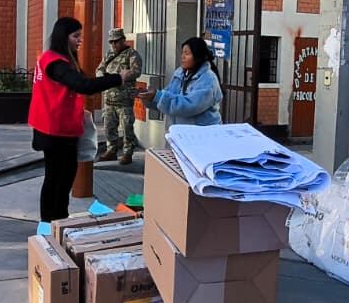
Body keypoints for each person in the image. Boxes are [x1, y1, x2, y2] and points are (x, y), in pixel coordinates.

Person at [29, 17, 139, 221]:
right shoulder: (56, 63)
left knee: (58, 177)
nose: (80, 40)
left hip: (54, 126)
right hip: (56, 130)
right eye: (75, 36)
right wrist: (118, 78)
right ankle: (52, 224)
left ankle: (54, 223)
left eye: (80, 35)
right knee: (58, 179)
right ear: (64, 37)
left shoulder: (48, 58)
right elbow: (83, 86)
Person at [138, 36, 223, 126]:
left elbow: (190, 106)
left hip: (201, 135)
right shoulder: (179, 74)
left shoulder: (208, 79)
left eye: (187, 53)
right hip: (179, 133)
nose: (183, 57)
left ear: (197, 56)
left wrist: (158, 96)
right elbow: (168, 97)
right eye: (182, 53)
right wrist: (150, 98)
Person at [95, 28, 143, 165]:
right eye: (111, 42)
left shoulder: (131, 54)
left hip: (124, 99)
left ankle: (128, 152)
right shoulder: (109, 55)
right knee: (109, 126)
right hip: (109, 98)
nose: (114, 45)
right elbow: (99, 69)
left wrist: (118, 76)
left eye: (116, 41)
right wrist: (103, 78)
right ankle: (111, 150)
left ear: (123, 40)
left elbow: (135, 71)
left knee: (127, 127)